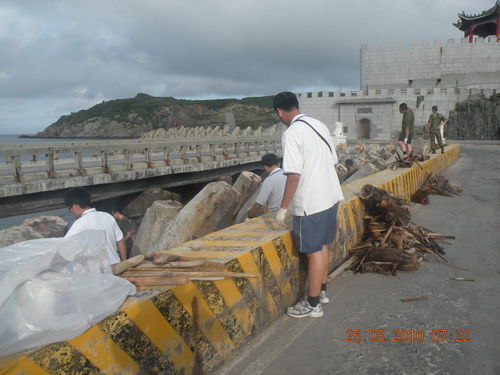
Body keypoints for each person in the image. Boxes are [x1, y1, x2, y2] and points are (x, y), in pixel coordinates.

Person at [274, 91, 344, 318]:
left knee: (313, 252)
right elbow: (333, 161)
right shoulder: (318, 124)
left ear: (279, 112)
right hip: (331, 196)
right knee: (323, 246)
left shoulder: (292, 133)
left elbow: (293, 175)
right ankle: (322, 292)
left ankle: (312, 305)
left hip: (311, 203)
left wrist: (282, 209)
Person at [64, 187, 127, 265]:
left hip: (100, 272)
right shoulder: (107, 216)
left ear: (74, 206)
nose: (71, 212)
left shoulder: (79, 224)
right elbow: (120, 240)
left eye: (69, 208)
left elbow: (64, 246)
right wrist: (124, 263)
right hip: (117, 266)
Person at [247, 153, 286, 218]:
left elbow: (259, 203)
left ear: (265, 167)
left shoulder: (269, 180)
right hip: (290, 211)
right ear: (278, 164)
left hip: (276, 214)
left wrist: (250, 215)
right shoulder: (288, 174)